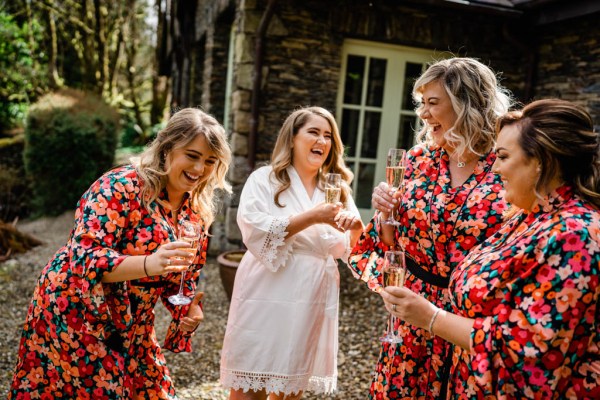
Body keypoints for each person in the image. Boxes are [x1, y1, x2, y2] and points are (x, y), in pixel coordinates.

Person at [382, 98, 600, 399]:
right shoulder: (527, 216)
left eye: (504, 156)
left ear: (542, 162)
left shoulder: (575, 234)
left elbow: (530, 352)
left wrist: (431, 317)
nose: (495, 169)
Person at [8, 108, 232, 399]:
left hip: (133, 324)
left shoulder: (196, 212)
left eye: (210, 161)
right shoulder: (120, 186)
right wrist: (150, 263)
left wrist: (187, 309)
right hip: (78, 311)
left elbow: (182, 277)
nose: (200, 168)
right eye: (192, 155)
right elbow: (84, 257)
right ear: (166, 150)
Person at [348, 57, 514, 399]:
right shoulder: (417, 160)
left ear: (465, 102)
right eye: (421, 103)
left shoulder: (506, 162)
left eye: (433, 103)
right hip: (414, 311)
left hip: (471, 321)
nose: (423, 114)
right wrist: (385, 215)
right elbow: (393, 240)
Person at [220, 106, 364, 400]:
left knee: (291, 388)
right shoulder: (264, 179)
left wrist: (357, 230)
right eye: (313, 132)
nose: (322, 141)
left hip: (312, 292)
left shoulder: (336, 189)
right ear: (292, 138)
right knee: (250, 382)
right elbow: (253, 227)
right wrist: (312, 217)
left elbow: (347, 250)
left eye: (328, 136)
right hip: (266, 289)